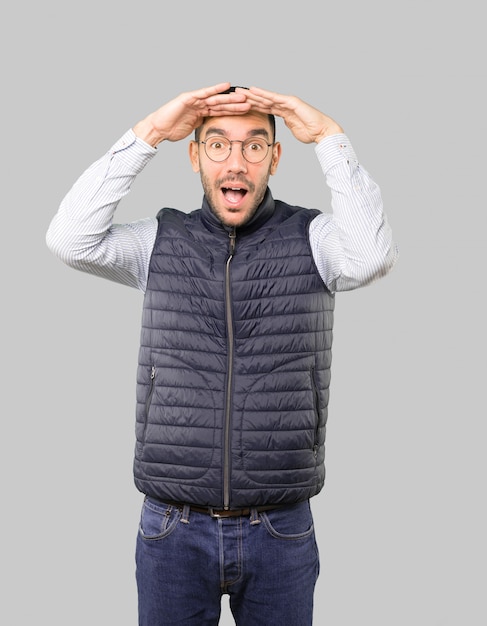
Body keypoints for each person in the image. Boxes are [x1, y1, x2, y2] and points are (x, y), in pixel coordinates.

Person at [46, 82, 398, 625]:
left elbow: (371, 256)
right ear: (194, 155)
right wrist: (152, 132)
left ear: (274, 159)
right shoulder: (160, 240)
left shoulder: (313, 238)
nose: (236, 163)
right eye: (218, 145)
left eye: (254, 146)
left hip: (280, 528)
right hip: (172, 529)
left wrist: (329, 137)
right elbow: (70, 238)